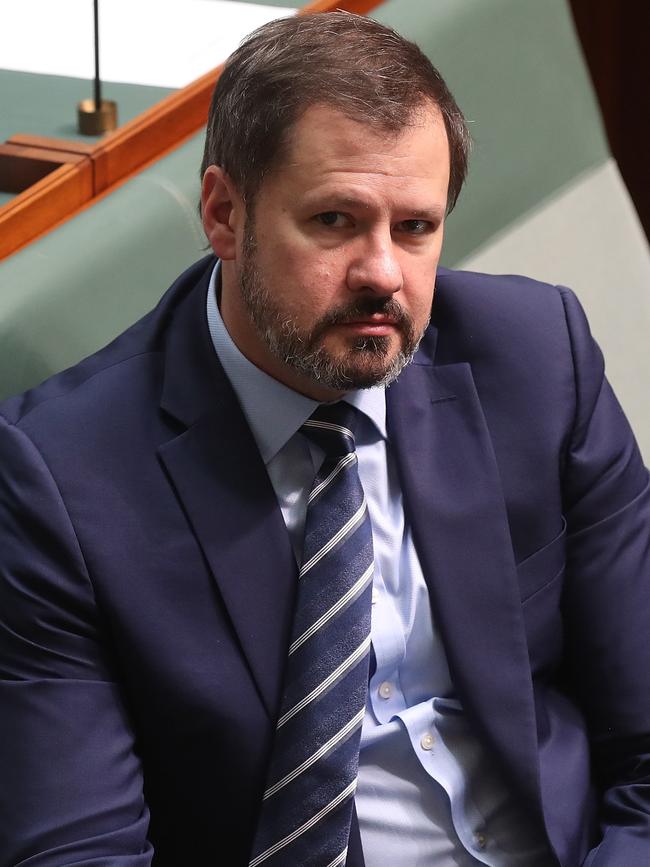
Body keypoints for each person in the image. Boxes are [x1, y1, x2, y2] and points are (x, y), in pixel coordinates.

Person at [1, 11, 649, 867]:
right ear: (226, 214)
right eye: (337, 221)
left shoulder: (538, 359)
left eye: (415, 227)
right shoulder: (57, 477)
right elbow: (77, 851)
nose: (385, 272)